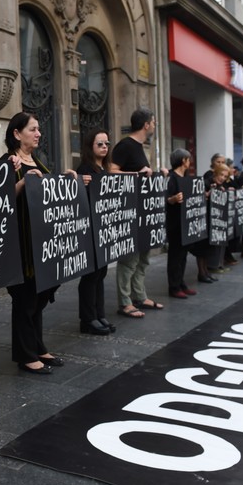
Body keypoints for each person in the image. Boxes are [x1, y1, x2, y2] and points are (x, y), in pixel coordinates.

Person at [0, 111, 66, 374]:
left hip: (40, 245)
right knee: (25, 301)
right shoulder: (9, 162)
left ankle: (38, 346)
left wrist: (66, 179)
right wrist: (24, 183)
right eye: (33, 129)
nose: (38, 134)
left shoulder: (36, 159)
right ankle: (26, 355)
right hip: (21, 246)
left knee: (38, 299)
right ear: (17, 134)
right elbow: (0, 200)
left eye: (39, 129)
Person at [110, 108, 163, 318]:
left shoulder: (141, 147)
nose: (155, 126)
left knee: (143, 258)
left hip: (144, 214)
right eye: (154, 122)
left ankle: (139, 296)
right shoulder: (125, 145)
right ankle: (125, 302)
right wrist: (137, 173)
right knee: (129, 260)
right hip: (130, 214)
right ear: (146, 125)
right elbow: (112, 172)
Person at [76, 128, 115, 335]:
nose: (104, 147)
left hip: (103, 230)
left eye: (107, 144)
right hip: (90, 230)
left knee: (101, 273)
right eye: (100, 144)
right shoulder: (85, 169)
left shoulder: (103, 170)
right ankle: (88, 319)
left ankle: (99, 314)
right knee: (91, 276)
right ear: (90, 146)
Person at [165, 148, 197, 299]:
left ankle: (181, 282)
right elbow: (164, 199)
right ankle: (174, 286)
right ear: (183, 161)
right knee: (175, 256)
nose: (190, 162)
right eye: (188, 159)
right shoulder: (171, 178)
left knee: (183, 255)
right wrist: (173, 199)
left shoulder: (186, 177)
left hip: (185, 223)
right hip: (175, 223)